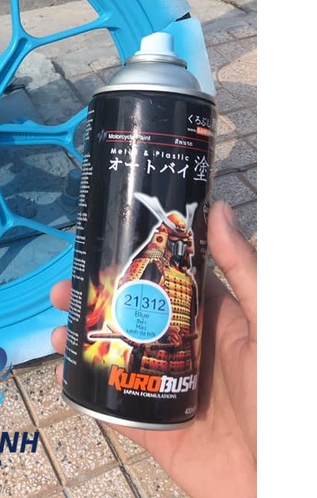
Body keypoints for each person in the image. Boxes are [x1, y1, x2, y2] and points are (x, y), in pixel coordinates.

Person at [49, 201, 257, 498]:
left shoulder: (188, 277)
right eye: (176, 242)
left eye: (185, 242)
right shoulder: (150, 265)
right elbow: (124, 295)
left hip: (184, 366)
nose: (181, 248)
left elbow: (193, 319)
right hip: (150, 360)